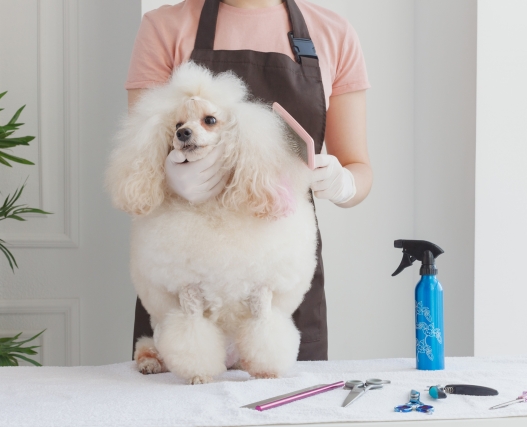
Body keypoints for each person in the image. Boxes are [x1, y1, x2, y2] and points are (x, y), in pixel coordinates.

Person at [126, 0, 372, 361]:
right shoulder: (164, 27)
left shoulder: (332, 33)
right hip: (182, 282)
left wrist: (344, 183)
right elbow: (140, 154)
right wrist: (170, 178)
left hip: (279, 285)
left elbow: (358, 166)